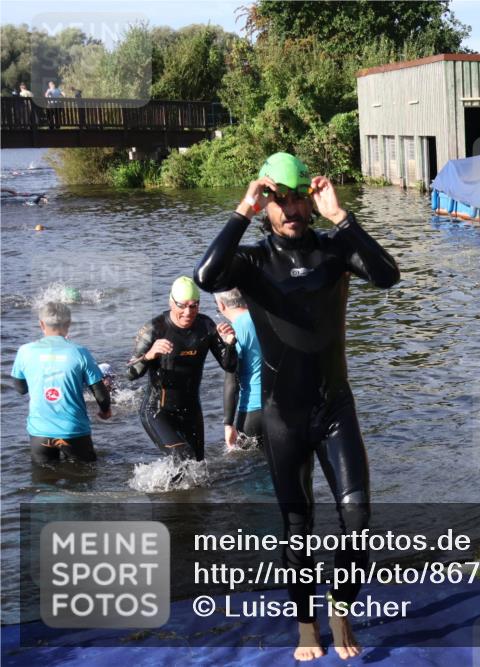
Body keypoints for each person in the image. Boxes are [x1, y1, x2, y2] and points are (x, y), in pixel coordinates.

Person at [195, 152, 399, 661]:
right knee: (297, 526)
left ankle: (340, 607)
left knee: (358, 518)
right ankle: (307, 626)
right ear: (267, 204)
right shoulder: (253, 262)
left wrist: (343, 217)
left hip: (334, 407)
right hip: (282, 416)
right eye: (277, 200)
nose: (288, 209)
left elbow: (388, 276)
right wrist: (242, 209)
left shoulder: (335, 250)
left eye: (296, 199)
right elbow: (206, 275)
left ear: (309, 199)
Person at [126, 276, 237, 461]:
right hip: (157, 411)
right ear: (171, 302)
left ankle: (167, 488)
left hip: (191, 411)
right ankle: (156, 489)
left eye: (194, 306)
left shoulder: (205, 326)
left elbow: (230, 366)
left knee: (198, 470)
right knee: (182, 455)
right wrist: (149, 355)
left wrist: (230, 344)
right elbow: (130, 373)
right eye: (182, 305)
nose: (188, 312)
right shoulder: (154, 328)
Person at [10, 302, 111, 464]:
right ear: (69, 324)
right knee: (85, 478)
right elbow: (100, 393)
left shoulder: (25, 351)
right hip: (74, 431)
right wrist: (105, 411)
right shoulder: (80, 352)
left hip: (40, 433)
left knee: (44, 483)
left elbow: (21, 389)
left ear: (41, 324)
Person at [214, 287, 263, 449]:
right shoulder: (264, 317)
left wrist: (228, 423)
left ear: (221, 305)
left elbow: (231, 380)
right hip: (281, 405)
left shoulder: (237, 329)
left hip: (253, 409)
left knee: (249, 469)